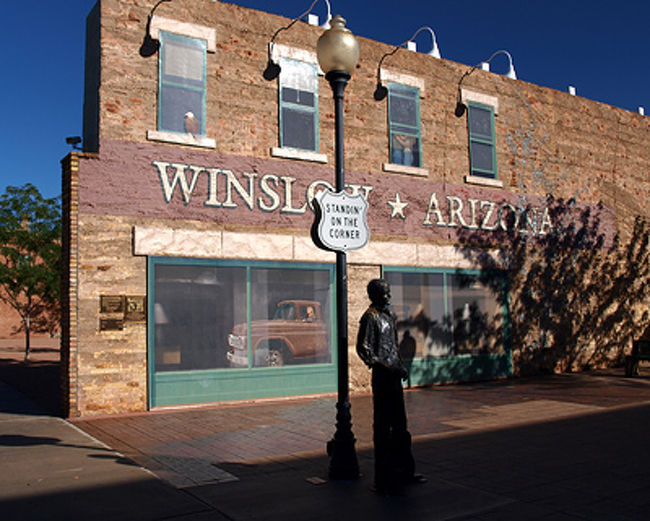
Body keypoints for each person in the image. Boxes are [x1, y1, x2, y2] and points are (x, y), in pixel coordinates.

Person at [356, 279, 426, 495]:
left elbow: (393, 348)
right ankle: (383, 477)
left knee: (400, 426)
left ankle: (404, 471)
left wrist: (399, 366)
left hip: (394, 376)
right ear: (374, 294)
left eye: (388, 292)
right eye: (384, 293)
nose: (388, 296)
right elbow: (364, 349)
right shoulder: (370, 318)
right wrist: (385, 366)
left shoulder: (388, 316)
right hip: (383, 378)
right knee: (383, 428)